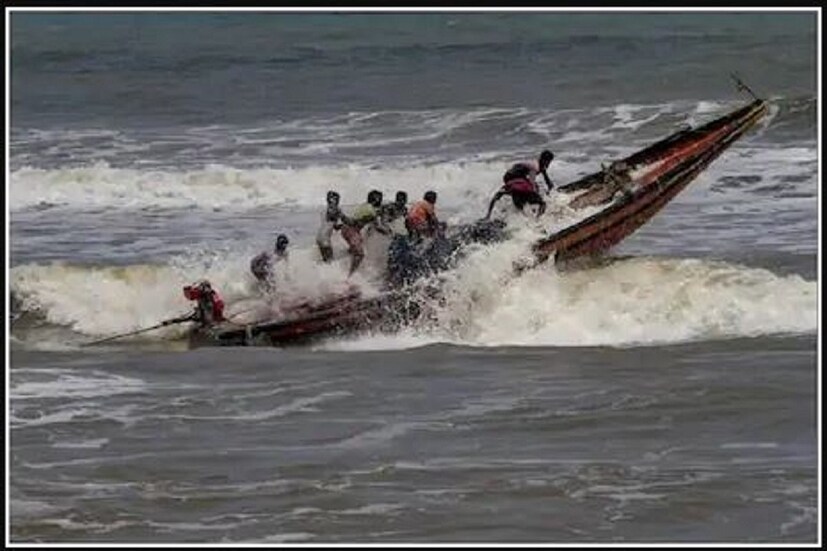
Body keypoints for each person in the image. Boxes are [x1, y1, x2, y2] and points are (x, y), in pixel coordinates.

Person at [484, 149, 555, 219]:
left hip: (515, 177)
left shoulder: (541, 166)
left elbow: (547, 180)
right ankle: (537, 219)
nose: (548, 164)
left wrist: (550, 191)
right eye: (548, 161)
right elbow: (532, 183)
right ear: (544, 160)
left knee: (522, 197)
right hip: (511, 176)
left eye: (549, 162)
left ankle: (493, 214)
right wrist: (537, 197)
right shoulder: (535, 166)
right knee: (535, 193)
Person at [339, 189, 388, 276]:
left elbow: (364, 220)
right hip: (351, 231)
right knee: (360, 255)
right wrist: (390, 233)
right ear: (376, 199)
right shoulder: (371, 211)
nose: (381, 200)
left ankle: (340, 265)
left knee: (353, 251)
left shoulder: (365, 206)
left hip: (347, 229)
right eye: (380, 198)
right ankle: (349, 276)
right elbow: (378, 227)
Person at [316, 190, 344, 262]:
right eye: (337, 199)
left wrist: (342, 225)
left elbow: (335, 227)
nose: (338, 201)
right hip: (325, 238)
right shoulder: (335, 209)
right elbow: (344, 219)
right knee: (330, 260)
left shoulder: (325, 209)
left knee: (325, 260)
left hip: (319, 237)